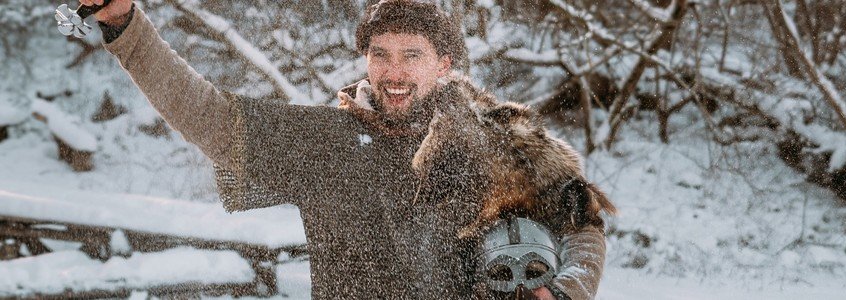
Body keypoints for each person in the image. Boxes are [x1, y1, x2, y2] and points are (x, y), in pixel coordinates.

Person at [86, 0, 607, 298]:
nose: (393, 72)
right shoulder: (327, 142)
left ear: (445, 64)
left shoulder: (499, 143)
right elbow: (208, 114)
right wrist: (127, 25)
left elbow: (583, 223)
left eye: (412, 55)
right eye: (379, 54)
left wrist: (564, 292)